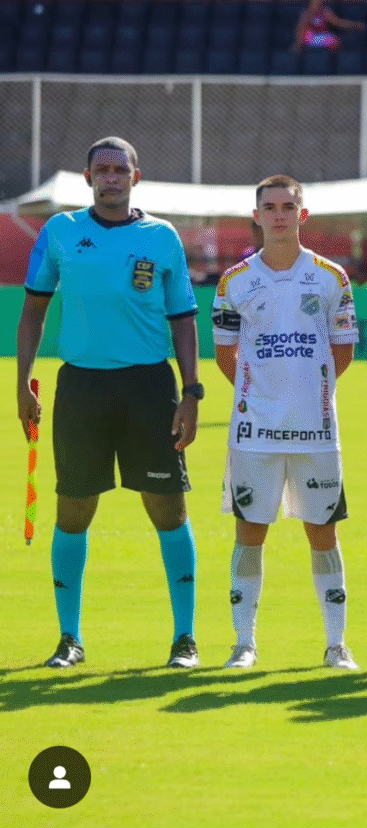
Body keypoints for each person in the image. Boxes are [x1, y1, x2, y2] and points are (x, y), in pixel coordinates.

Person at [16, 136, 203, 669]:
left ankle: (184, 639)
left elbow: (183, 320)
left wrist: (191, 392)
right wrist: (22, 382)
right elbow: (33, 312)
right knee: (73, 509)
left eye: (120, 169)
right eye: (102, 170)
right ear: (89, 177)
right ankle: (69, 639)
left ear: (135, 177)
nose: (111, 178)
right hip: (81, 388)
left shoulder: (161, 237)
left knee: (168, 510)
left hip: (149, 388)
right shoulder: (60, 231)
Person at [212, 174, 360, 670]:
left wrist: (308, 393)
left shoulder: (331, 277)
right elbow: (225, 355)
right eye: (270, 207)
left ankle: (337, 644)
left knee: (324, 534)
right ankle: (244, 644)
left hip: (317, 432)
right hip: (254, 434)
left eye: (288, 206)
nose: (279, 215)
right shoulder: (234, 281)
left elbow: (342, 353)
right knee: (249, 533)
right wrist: (261, 395)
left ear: (303, 214)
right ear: (257, 216)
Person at [292, 0, 366, 54]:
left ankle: (333, 63)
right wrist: (298, 44)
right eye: (314, 1)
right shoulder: (306, 13)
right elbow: (300, 29)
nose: (317, 3)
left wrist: (355, 25)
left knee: (336, 41)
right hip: (309, 38)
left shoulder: (325, 12)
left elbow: (339, 23)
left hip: (322, 36)